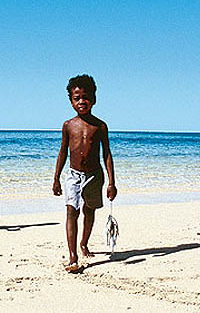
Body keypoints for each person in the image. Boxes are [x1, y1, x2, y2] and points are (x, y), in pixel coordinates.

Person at [53, 74, 117, 272]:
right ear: (71, 101)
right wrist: (56, 178)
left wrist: (111, 182)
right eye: (77, 98)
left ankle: (84, 243)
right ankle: (73, 256)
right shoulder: (68, 125)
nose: (82, 101)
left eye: (85, 97)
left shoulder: (100, 126)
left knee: (89, 210)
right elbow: (62, 152)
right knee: (72, 211)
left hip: (94, 175)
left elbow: (107, 153)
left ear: (94, 99)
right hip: (73, 175)